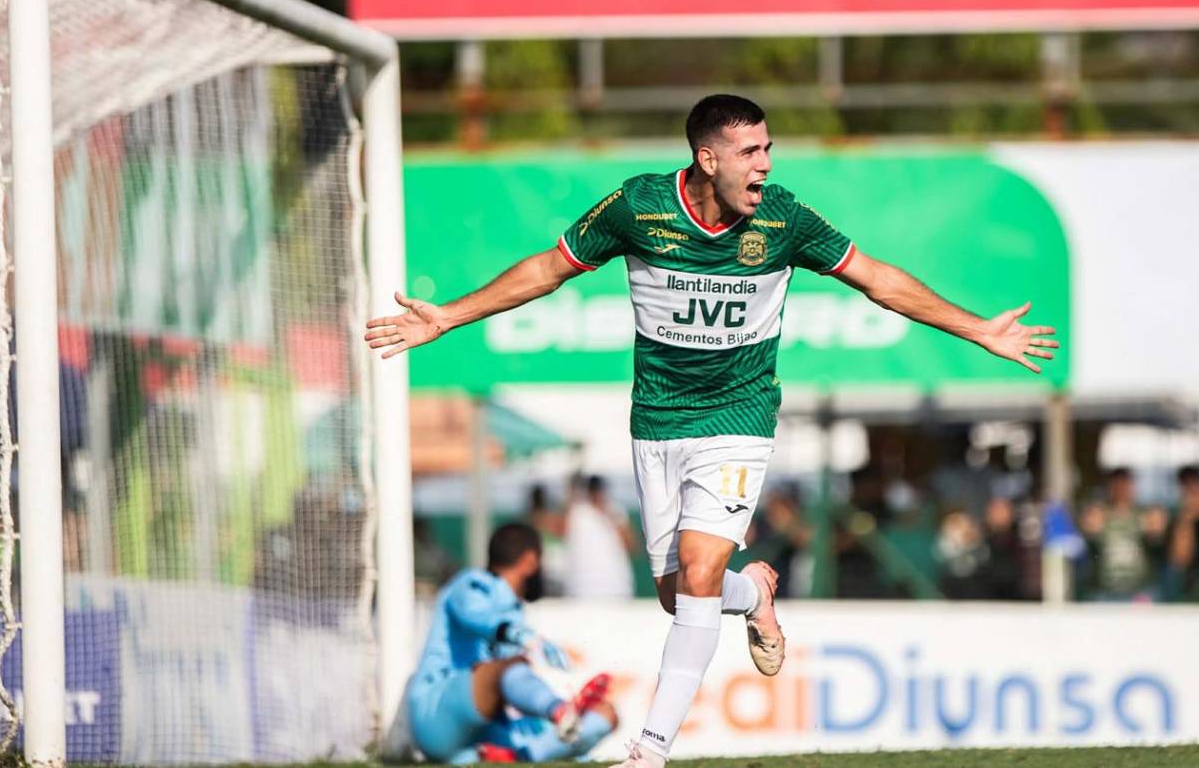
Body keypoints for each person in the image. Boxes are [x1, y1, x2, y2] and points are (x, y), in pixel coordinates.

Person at [367, 94, 1059, 768]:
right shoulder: (639, 206)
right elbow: (549, 269)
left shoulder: (783, 219)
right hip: (657, 423)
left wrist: (977, 329)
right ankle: (754, 592)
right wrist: (448, 316)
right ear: (707, 158)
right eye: (750, 151)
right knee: (680, 592)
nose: (764, 164)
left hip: (740, 419)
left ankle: (650, 750)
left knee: (698, 571)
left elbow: (877, 278)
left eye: (769, 149)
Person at [404, 523, 617, 764]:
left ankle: (520, 754)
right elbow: (478, 617)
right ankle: (559, 715)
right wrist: (522, 636)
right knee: (507, 668)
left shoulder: (515, 610)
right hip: (436, 715)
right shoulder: (471, 584)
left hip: (484, 727)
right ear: (530, 561)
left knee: (605, 714)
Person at [1080, 467, 1168, 601]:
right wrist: (1090, 529)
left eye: (1125, 484)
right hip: (1104, 592)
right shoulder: (1099, 515)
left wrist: (1156, 530)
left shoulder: (1144, 514)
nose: (1121, 489)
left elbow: (1157, 545)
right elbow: (1088, 545)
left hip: (1140, 591)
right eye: (1116, 484)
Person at [564, 475, 636, 599]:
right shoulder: (578, 511)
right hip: (583, 588)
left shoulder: (616, 511)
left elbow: (632, 546)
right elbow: (559, 527)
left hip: (616, 587)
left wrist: (609, 515)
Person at [1165, 465, 1199, 602]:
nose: (1191, 490)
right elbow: (1180, 558)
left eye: (1195, 483)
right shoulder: (1176, 515)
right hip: (1188, 588)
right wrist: (1187, 519)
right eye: (1186, 484)